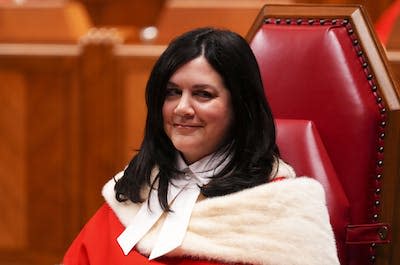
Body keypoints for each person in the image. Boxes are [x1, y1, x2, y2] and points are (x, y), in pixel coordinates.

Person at [63, 27, 340, 265]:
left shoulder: (281, 211)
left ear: (240, 107)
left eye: (203, 94)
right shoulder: (135, 188)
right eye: (172, 93)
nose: (182, 108)